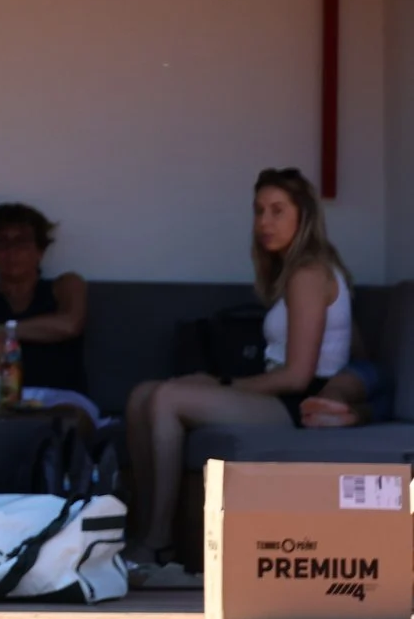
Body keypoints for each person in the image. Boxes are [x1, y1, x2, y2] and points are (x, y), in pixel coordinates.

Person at [124, 167, 355, 577]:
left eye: (277, 211)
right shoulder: (299, 271)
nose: (264, 222)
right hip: (282, 395)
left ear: (303, 216)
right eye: (259, 210)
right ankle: (145, 533)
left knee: (166, 397)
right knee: (143, 393)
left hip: (297, 405)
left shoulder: (308, 273)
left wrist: (222, 384)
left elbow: (297, 377)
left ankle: (159, 544)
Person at [0, 202, 89, 398]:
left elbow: (70, 324)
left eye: (21, 243)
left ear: (40, 252)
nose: (12, 252)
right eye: (3, 243)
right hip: (1, 401)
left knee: (68, 420)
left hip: (62, 397)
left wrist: (3, 330)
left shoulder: (65, 285)